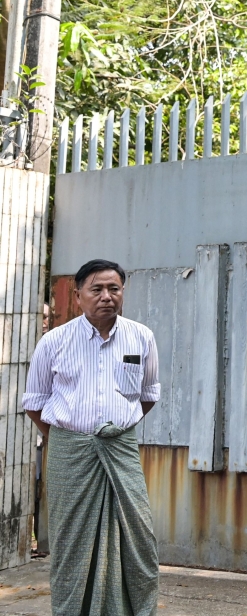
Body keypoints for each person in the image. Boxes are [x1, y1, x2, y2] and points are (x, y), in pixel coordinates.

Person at [22, 259, 160, 616]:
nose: (106, 297)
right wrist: (71, 440)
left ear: (123, 293)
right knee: (72, 545)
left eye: (114, 289)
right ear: (79, 294)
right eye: (96, 289)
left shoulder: (141, 337)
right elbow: (34, 403)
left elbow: (148, 395)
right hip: (70, 454)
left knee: (138, 539)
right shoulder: (54, 342)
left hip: (121, 450)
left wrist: (116, 430)